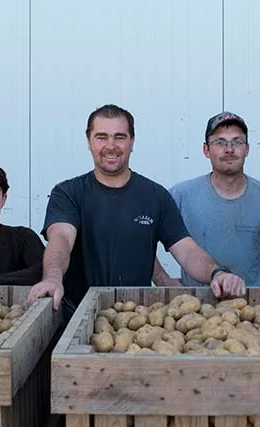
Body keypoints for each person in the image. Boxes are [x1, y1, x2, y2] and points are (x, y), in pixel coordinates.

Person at [26, 104, 246, 311]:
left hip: (136, 319)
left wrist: (217, 273)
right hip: (74, 315)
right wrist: (52, 279)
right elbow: (61, 240)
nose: (110, 145)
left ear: (132, 141)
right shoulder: (68, 193)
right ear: (89, 141)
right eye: (101, 137)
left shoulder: (155, 196)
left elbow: (187, 251)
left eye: (119, 137)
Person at [152, 112, 260, 287]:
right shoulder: (181, 195)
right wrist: (162, 279)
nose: (229, 149)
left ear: (247, 149)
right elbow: (142, 235)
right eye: (220, 142)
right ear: (206, 150)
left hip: (250, 309)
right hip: (194, 308)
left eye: (237, 142)